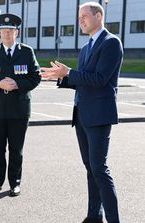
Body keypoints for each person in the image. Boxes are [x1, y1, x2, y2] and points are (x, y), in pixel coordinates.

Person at [40, 2, 123, 223]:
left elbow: (99, 80)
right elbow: (83, 81)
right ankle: (94, 216)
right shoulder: (86, 47)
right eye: (79, 17)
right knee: (90, 168)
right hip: (82, 115)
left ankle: (114, 220)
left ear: (98, 16)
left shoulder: (111, 43)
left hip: (99, 115)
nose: (80, 21)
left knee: (99, 169)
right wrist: (61, 77)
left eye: (84, 16)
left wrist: (70, 72)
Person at [0, 13, 41, 197]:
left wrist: (18, 85)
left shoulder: (27, 52)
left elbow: (36, 77)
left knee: (16, 149)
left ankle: (15, 183)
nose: (6, 33)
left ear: (17, 33)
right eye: (3, 30)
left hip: (18, 110)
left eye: (10, 30)